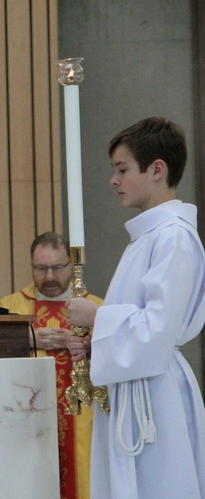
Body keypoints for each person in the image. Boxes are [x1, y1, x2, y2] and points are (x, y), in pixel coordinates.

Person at [66, 117, 205, 499]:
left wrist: (98, 317)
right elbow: (139, 321)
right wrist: (99, 341)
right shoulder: (147, 237)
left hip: (156, 397)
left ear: (157, 169)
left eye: (122, 169)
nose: (113, 180)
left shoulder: (173, 237)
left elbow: (158, 328)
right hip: (136, 388)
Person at [0, 232, 103, 499]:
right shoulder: (8, 309)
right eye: (41, 269)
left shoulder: (98, 310)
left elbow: (121, 352)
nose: (50, 277)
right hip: (24, 422)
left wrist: (85, 342)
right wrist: (27, 337)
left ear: (71, 265)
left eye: (57, 268)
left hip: (82, 423)